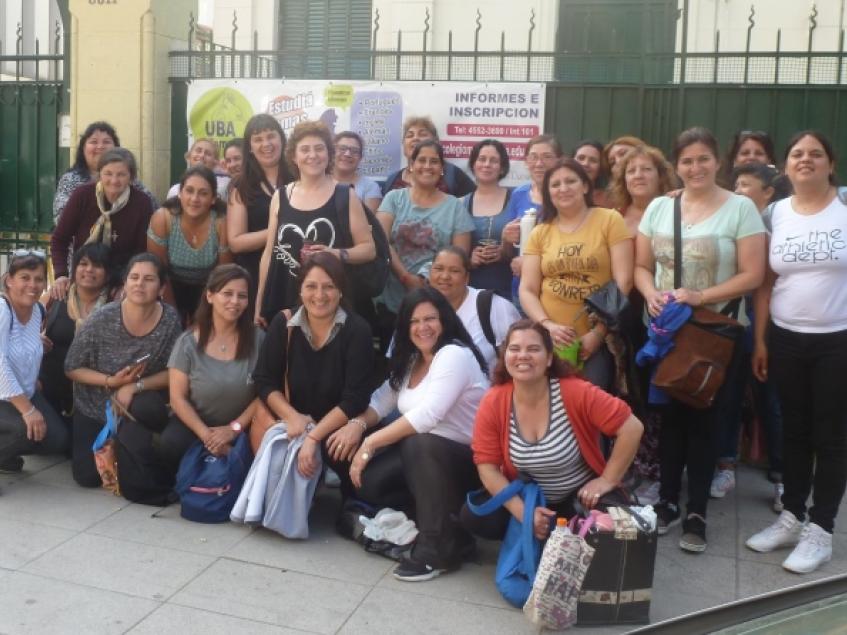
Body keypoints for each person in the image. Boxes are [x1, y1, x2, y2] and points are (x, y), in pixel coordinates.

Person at [635, 127, 766, 552]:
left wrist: (701, 296)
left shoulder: (740, 208)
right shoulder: (659, 207)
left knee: (708, 420)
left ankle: (697, 513)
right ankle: (668, 504)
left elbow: (753, 274)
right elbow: (641, 266)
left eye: (703, 159)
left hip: (716, 334)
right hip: (668, 332)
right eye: (687, 161)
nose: (696, 168)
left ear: (718, 162)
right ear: (677, 166)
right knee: (671, 418)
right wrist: (650, 293)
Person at [746, 131, 847, 573]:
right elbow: (766, 284)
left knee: (832, 438)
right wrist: (763, 340)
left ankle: (821, 529)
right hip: (786, 338)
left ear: (831, 163)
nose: (805, 160)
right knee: (795, 432)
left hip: (837, 340)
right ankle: (793, 515)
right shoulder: (775, 213)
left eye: (815, 154)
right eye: (797, 154)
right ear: (785, 166)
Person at [347, 286, 489, 581]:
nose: (422, 327)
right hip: (427, 459)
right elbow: (381, 401)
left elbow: (427, 417)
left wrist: (370, 443)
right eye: (414, 321)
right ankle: (448, 527)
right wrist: (357, 425)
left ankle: (436, 549)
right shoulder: (413, 360)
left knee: (418, 443)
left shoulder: (453, 354)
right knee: (370, 483)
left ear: (445, 320)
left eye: (430, 319)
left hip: (471, 465)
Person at [462, 320, 643, 541]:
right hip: (529, 498)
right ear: (505, 356)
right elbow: (487, 467)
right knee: (476, 515)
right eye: (515, 349)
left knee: (621, 528)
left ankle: (557, 536)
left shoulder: (574, 391)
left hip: (578, 498)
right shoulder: (494, 400)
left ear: (549, 358)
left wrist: (607, 479)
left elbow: (632, 427)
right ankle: (534, 533)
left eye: (534, 349)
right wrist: (525, 514)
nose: (523, 356)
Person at [253, 252, 374, 500]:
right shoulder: (283, 323)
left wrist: (314, 436)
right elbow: (265, 381)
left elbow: (355, 398)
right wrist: (293, 417)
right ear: (300, 290)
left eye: (329, 287)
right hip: (292, 424)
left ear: (340, 291)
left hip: (336, 429)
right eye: (311, 286)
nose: (319, 295)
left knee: (364, 489)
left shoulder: (358, 330)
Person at [64, 253, 181, 488]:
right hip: (94, 404)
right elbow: (72, 367)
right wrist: (111, 381)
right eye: (134, 277)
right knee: (87, 477)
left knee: (149, 412)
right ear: (125, 284)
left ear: (161, 287)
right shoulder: (102, 318)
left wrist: (133, 386)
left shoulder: (170, 320)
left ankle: (139, 449)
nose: (139, 283)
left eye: (149, 279)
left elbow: (176, 372)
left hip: (137, 403)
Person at [519, 158, 633, 391]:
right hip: (550, 342)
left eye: (571, 181)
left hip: (596, 340)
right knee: (551, 411)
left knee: (591, 410)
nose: (563, 188)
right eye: (555, 184)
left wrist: (598, 333)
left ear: (585, 186)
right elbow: (527, 289)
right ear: (547, 193)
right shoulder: (540, 231)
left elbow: (624, 281)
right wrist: (548, 326)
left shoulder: (609, 219)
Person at [255, 121, 376, 324]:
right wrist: (259, 301)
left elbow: (369, 249)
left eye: (319, 148)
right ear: (294, 156)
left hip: (327, 304)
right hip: (283, 300)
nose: (312, 155)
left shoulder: (345, 195)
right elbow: (269, 253)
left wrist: (335, 253)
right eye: (305, 149)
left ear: (329, 154)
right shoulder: (281, 196)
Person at [608, 145, 676, 496]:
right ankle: (631, 464)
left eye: (645, 169)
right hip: (621, 317)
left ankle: (658, 468)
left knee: (657, 392)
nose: (637, 175)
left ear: (660, 174)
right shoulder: (612, 215)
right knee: (629, 393)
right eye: (630, 170)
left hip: (660, 314)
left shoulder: (675, 210)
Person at [158, 264, 263, 472]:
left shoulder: (259, 339)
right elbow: (177, 398)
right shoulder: (187, 342)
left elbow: (265, 393)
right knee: (171, 445)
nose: (235, 302)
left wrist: (233, 429)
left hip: (244, 425)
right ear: (210, 296)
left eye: (242, 296)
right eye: (227, 294)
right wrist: (207, 436)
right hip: (197, 424)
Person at [375, 139, 474, 348]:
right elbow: (381, 240)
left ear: (442, 169)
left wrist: (423, 278)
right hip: (391, 304)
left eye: (434, 161)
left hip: (435, 307)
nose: (427, 166)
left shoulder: (455, 207)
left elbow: (458, 257)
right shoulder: (394, 198)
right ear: (411, 165)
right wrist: (405, 276)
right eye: (421, 160)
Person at [732, 162, 789, 512]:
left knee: (770, 398)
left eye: (746, 185)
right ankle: (724, 464)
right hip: (729, 317)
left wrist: (763, 338)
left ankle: (783, 475)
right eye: (735, 184)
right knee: (728, 394)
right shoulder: (727, 216)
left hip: (766, 317)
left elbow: (762, 287)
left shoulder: (777, 223)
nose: (738, 191)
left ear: (768, 192)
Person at [0, 250, 70, 474]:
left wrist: (33, 377)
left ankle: (5, 454)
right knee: (23, 430)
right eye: (24, 277)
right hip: (5, 396)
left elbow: (21, 344)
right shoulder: (2, 310)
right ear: (9, 280)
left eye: (39, 278)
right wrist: (28, 411)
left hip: (23, 391)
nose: (33, 284)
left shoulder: (38, 309)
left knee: (56, 440)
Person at [51, 148, 153, 297]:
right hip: (83, 277)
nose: (114, 180)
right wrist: (61, 275)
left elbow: (141, 252)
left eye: (121, 175)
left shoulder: (141, 203)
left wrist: (125, 284)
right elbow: (60, 239)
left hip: (120, 283)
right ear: (99, 174)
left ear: (131, 177)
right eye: (108, 174)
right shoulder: (82, 195)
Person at [147, 166, 233, 322]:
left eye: (203, 193)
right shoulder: (163, 218)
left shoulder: (221, 223)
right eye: (189, 191)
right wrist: (173, 315)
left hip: (208, 287)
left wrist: (204, 314)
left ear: (213, 198)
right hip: (169, 285)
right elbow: (158, 271)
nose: (194, 199)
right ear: (180, 193)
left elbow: (222, 275)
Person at [39, 243, 112, 421]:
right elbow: (23, 331)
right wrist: (36, 339)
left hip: (93, 393)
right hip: (49, 387)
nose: (89, 270)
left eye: (97, 265)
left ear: (108, 273)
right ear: (74, 268)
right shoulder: (54, 297)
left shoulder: (114, 305)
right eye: (83, 264)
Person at [227, 114, 291, 300]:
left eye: (271, 136)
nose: (266, 144)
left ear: (282, 139)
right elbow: (236, 243)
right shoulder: (241, 187)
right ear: (250, 148)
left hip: (294, 273)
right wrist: (279, 229)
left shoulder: (300, 177)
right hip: (255, 277)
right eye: (258, 139)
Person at [429, 246, 520, 372]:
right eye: (438, 269)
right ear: (429, 273)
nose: (445, 276)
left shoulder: (493, 306)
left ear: (467, 278)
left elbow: (518, 361)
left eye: (454, 271)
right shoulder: (418, 309)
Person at [52, 121, 157, 226]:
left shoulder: (130, 180)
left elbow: (153, 210)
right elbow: (61, 218)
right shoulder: (70, 180)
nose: (100, 147)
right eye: (93, 142)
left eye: (106, 142)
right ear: (83, 148)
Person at [501, 134, 564, 306]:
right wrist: (506, 238)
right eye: (533, 157)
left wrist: (530, 265)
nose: (539, 164)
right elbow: (508, 254)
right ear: (526, 162)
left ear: (559, 160)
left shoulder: (565, 197)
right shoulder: (518, 194)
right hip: (521, 291)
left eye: (547, 157)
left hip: (556, 292)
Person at [463, 139, 513, 299]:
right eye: (482, 159)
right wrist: (469, 260)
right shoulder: (461, 203)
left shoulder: (516, 199)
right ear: (473, 164)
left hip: (509, 287)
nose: (487, 164)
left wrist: (506, 252)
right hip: (471, 289)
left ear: (502, 167)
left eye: (494, 160)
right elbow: (451, 249)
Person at [381, 116, 476, 197]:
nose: (415, 138)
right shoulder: (392, 180)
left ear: (436, 142)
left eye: (422, 134)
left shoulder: (452, 175)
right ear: (404, 145)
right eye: (410, 135)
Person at [332, 131, 382, 210]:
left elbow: (367, 221)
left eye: (354, 151)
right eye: (342, 149)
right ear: (332, 152)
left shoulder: (370, 187)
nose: (347, 154)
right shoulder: (319, 181)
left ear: (360, 158)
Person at [165, 138, 230, 200]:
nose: (202, 155)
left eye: (208, 154)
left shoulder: (227, 184)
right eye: (198, 151)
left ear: (215, 161)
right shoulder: (175, 190)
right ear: (189, 156)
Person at [573, 140, 612, 207]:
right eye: (581, 158)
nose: (585, 164)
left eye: (593, 160)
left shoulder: (608, 201)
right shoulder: (558, 193)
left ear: (600, 169)